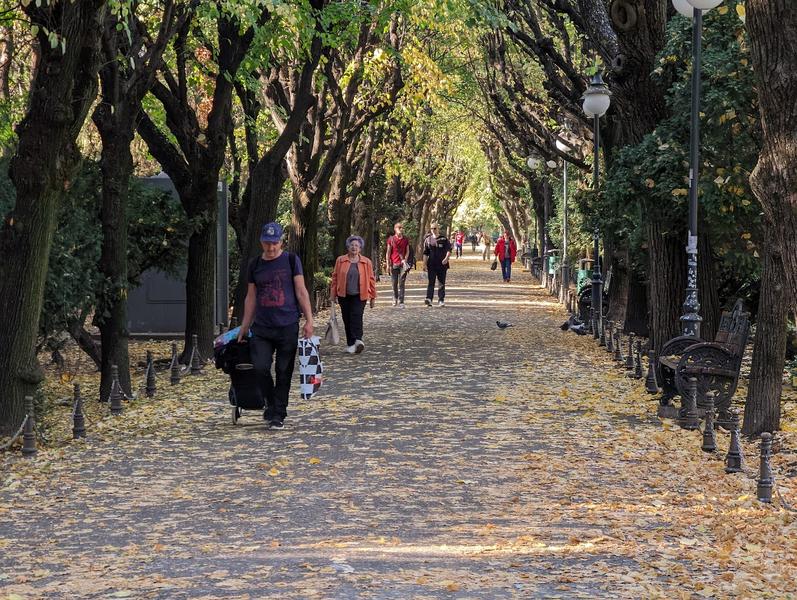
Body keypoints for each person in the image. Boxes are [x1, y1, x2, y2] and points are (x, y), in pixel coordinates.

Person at [239, 222, 314, 430]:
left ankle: (278, 414)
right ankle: (270, 403)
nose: (271, 248)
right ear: (261, 242)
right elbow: (251, 297)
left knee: (283, 371)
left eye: (275, 243)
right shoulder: (254, 264)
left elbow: (301, 291)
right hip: (262, 327)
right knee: (261, 367)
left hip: (287, 325)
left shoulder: (291, 260)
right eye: (266, 243)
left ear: (281, 241)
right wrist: (245, 325)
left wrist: (309, 320)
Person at [331, 235, 377, 353]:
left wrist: (373, 297)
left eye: (357, 245)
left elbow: (371, 279)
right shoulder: (341, 260)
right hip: (344, 295)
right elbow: (335, 278)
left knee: (356, 316)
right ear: (348, 247)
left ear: (360, 248)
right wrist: (333, 295)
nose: (354, 247)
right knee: (347, 318)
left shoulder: (366, 262)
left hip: (360, 295)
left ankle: (358, 339)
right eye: (352, 245)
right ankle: (351, 344)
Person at [423, 222, 451, 307]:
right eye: (432, 229)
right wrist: (424, 264)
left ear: (438, 229)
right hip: (431, 265)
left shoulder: (444, 239)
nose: (433, 230)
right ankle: (429, 299)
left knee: (441, 283)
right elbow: (425, 253)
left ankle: (441, 300)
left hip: (442, 265)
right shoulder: (428, 240)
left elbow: (449, 250)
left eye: (435, 228)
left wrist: (446, 258)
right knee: (431, 282)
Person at [385, 222, 410, 307]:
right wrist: (388, 264)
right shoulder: (391, 239)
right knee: (394, 283)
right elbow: (388, 253)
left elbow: (408, 251)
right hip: (394, 264)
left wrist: (405, 260)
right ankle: (395, 298)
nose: (401, 229)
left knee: (402, 283)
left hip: (402, 264)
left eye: (402, 228)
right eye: (399, 227)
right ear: (395, 229)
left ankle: (401, 301)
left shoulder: (405, 239)